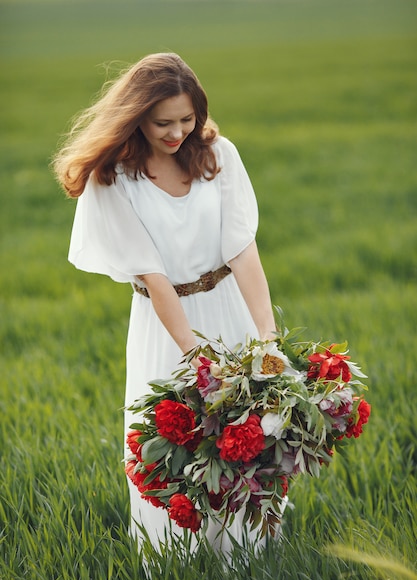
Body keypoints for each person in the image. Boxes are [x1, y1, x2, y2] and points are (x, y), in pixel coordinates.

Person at [53, 52, 280, 553]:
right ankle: (174, 562)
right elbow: (155, 279)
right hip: (165, 325)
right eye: (162, 123)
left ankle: (248, 558)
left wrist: (267, 337)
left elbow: (242, 249)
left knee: (244, 439)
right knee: (176, 444)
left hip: (228, 309)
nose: (177, 132)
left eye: (187, 119)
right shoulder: (113, 177)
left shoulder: (220, 156)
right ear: (136, 117)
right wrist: (197, 358)